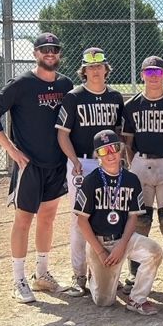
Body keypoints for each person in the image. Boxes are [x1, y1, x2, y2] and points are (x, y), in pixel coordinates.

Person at [0, 32, 73, 303]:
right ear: (35, 53)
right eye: (44, 49)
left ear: (59, 54)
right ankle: (18, 279)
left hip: (56, 164)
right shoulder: (22, 83)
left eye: (54, 49)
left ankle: (41, 275)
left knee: (48, 217)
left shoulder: (66, 84)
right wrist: (12, 151)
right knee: (23, 219)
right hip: (29, 165)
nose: (50, 53)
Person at [55, 47, 124, 297]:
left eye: (99, 66)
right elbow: (62, 134)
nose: (95, 71)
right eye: (90, 67)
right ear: (84, 71)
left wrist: (119, 160)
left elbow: (120, 133)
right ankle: (79, 276)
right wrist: (74, 161)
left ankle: (109, 272)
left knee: (110, 216)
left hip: (109, 163)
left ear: (106, 69)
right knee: (79, 220)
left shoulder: (115, 97)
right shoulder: (74, 97)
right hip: (82, 163)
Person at [73, 130, 162, 315]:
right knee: (104, 302)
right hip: (101, 243)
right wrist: (99, 251)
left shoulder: (131, 179)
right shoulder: (91, 181)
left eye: (114, 148)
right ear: (97, 155)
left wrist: (122, 244)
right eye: (104, 151)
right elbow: (82, 221)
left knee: (154, 251)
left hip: (124, 239)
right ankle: (94, 275)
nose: (111, 154)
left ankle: (137, 299)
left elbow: (132, 217)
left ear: (121, 149)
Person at [121, 56, 163, 294]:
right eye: (149, 73)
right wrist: (135, 166)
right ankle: (135, 271)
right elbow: (128, 143)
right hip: (140, 161)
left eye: (157, 73)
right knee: (140, 220)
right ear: (142, 75)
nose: (153, 77)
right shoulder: (131, 105)